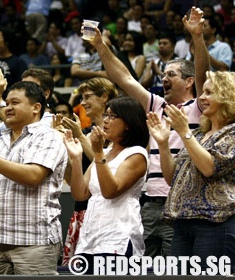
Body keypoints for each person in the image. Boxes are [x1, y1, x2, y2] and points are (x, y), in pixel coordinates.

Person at [86, 6, 208, 258]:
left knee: (175, 269)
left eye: (171, 74)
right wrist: (100, 45)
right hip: (149, 204)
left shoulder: (198, 107)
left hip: (181, 202)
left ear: (188, 81)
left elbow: (203, 74)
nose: (164, 78)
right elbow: (124, 78)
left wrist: (197, 37)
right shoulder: (157, 105)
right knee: (142, 270)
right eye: (163, 73)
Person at [0, 81, 67, 275]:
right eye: (7, 103)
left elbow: (33, 176)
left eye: (15, 103)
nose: (7, 108)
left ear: (36, 107)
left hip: (34, 242)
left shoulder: (48, 137)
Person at [146, 70, 235, 273]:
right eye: (202, 92)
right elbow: (172, 178)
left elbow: (209, 168)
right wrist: (163, 144)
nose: (202, 98)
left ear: (228, 96)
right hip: (183, 222)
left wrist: (184, 132)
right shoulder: (198, 133)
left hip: (216, 222)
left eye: (209, 93)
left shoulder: (231, 132)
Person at [63, 96, 149, 274]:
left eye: (113, 116)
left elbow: (110, 191)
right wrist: (77, 158)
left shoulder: (136, 154)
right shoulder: (104, 153)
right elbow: (80, 194)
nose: (106, 121)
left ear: (128, 123)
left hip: (118, 239)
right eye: (106, 115)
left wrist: (97, 152)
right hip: (89, 239)